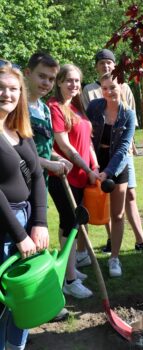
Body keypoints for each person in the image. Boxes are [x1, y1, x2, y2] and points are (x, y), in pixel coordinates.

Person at [0, 62, 49, 349]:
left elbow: (39, 177)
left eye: (13, 89)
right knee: (5, 302)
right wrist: (19, 235)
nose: (7, 94)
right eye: (1, 88)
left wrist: (40, 223)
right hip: (5, 228)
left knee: (25, 302)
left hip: (28, 221)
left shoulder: (20, 130)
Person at [24, 52, 76, 321]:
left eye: (51, 79)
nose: (46, 83)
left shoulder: (43, 108)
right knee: (25, 246)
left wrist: (58, 158)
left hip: (39, 185)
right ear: (27, 73)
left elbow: (41, 147)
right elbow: (21, 152)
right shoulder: (17, 106)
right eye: (41, 76)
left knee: (39, 244)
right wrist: (48, 164)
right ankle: (30, 308)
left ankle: (42, 305)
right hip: (19, 188)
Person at [82, 48, 143, 254]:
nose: (105, 66)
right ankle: (106, 242)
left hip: (121, 155)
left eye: (109, 63)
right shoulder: (90, 96)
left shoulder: (126, 95)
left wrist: (112, 167)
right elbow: (87, 129)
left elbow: (128, 130)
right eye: (101, 63)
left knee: (128, 197)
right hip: (97, 156)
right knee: (100, 200)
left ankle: (138, 240)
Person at [48, 64, 99, 299]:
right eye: (69, 80)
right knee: (69, 226)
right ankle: (69, 280)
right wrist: (86, 168)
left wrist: (95, 167)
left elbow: (87, 142)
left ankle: (72, 270)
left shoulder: (77, 108)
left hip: (81, 177)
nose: (74, 85)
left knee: (74, 226)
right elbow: (66, 147)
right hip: (63, 177)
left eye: (77, 81)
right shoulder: (55, 108)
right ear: (58, 82)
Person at [86, 72, 135, 277]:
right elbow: (86, 137)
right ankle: (82, 253)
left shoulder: (128, 114)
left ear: (121, 87)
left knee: (117, 213)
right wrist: (94, 166)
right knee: (86, 209)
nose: (108, 92)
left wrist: (108, 172)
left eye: (112, 87)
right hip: (94, 162)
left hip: (117, 164)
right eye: (104, 88)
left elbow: (124, 148)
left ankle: (114, 258)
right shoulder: (95, 107)